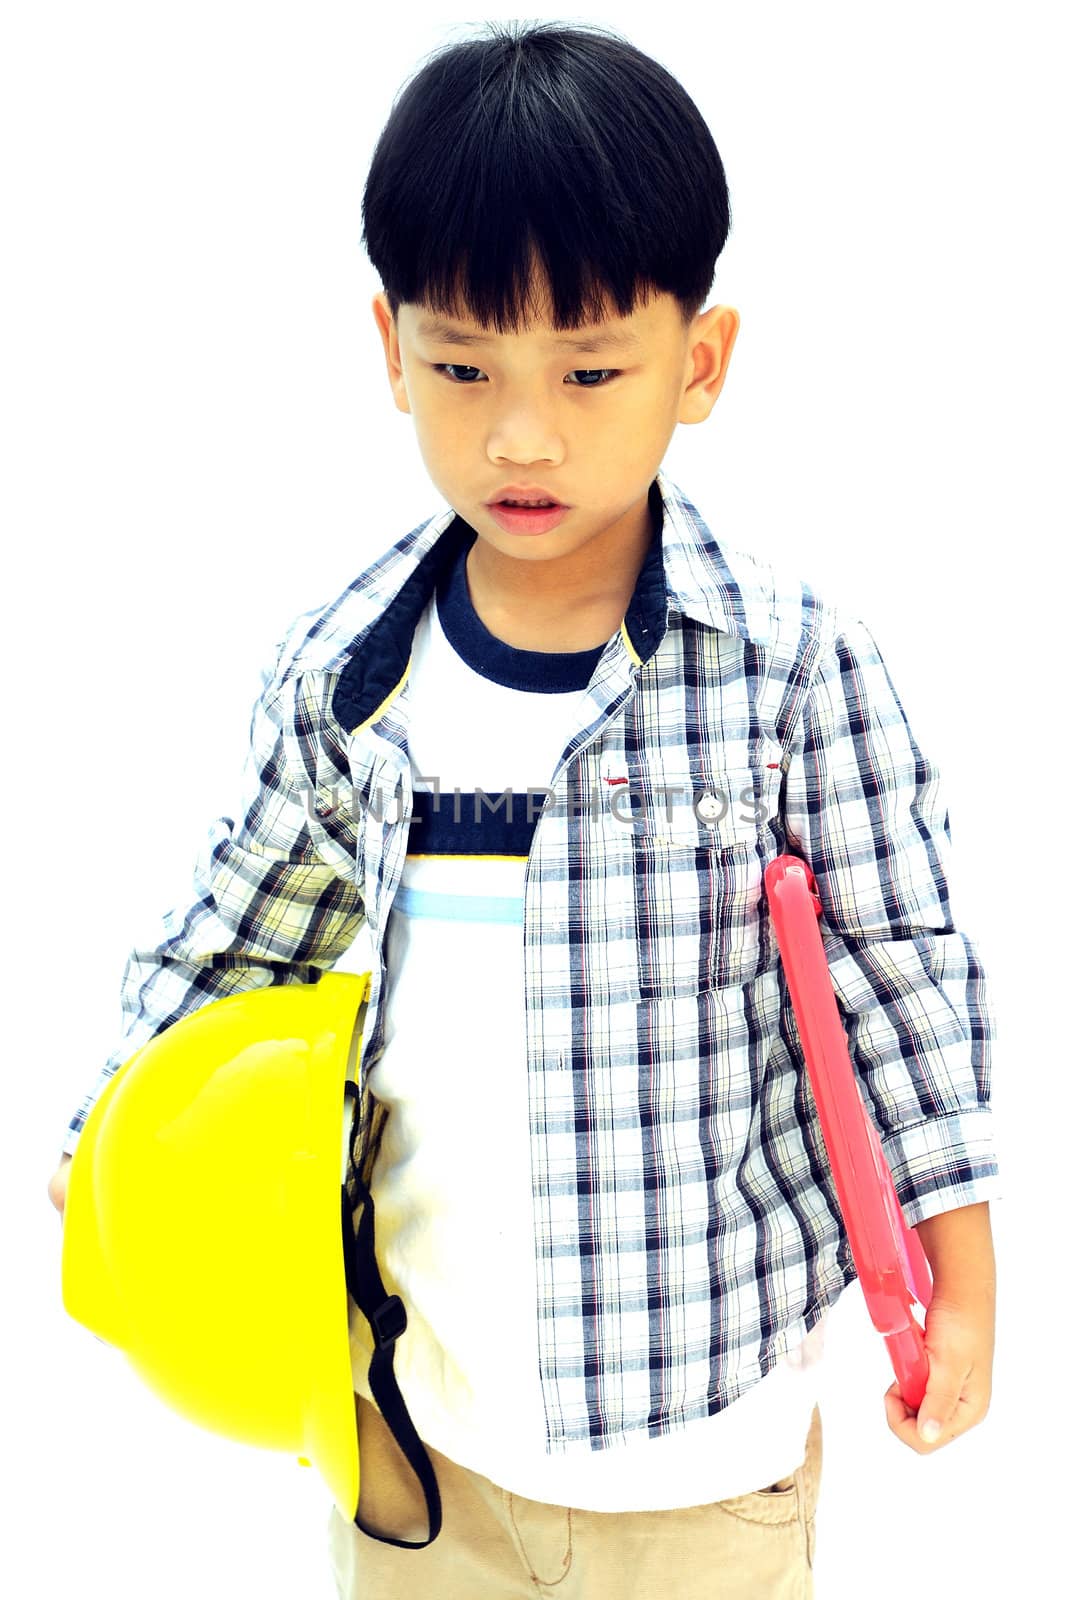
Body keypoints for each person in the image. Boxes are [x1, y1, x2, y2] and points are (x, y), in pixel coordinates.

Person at [49, 20, 1001, 1599]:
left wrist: (961, 1290)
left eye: (591, 370)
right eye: (465, 367)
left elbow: (905, 978)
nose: (523, 435)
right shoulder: (351, 678)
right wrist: (104, 1155)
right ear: (390, 351)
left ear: (699, 364)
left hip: (707, 1448)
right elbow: (232, 943)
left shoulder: (789, 666)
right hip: (411, 1439)